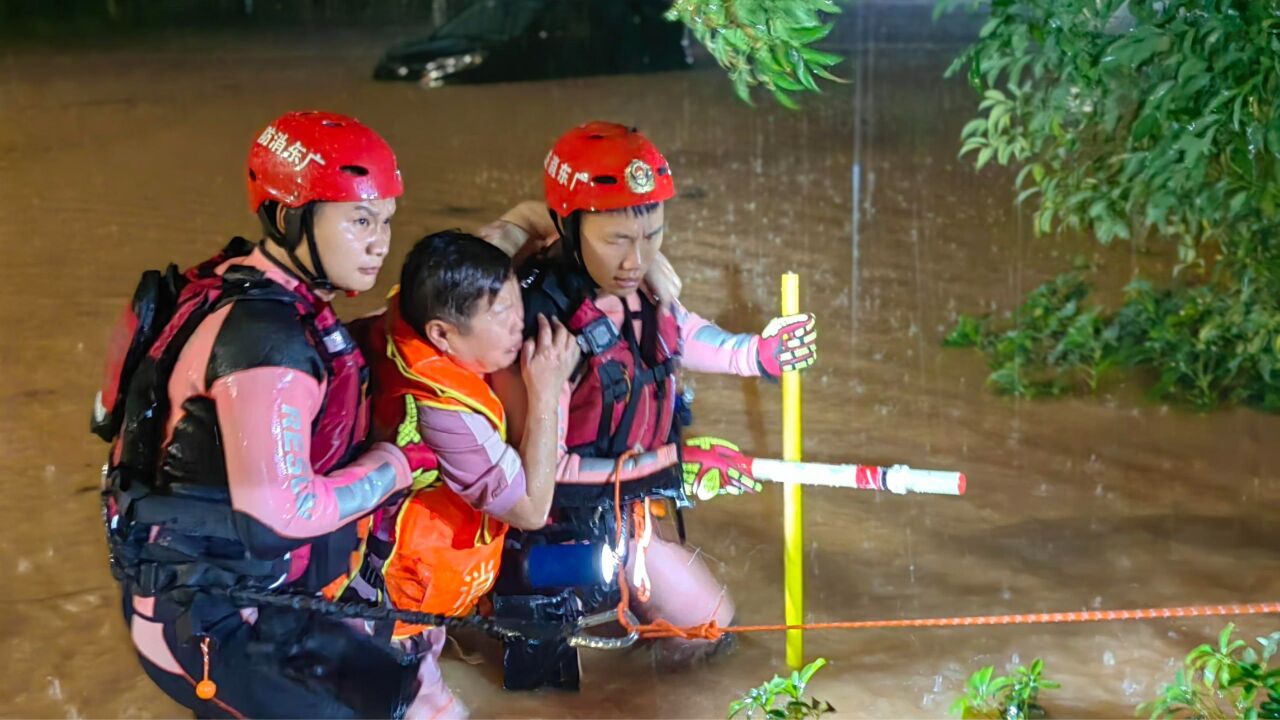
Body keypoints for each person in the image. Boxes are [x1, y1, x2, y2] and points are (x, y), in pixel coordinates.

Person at [94, 110, 444, 718]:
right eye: (359, 219)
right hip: (207, 620)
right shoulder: (266, 342)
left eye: (385, 220)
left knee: (415, 698)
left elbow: (104, 410)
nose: (380, 241)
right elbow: (280, 516)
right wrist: (393, 466)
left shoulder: (243, 283)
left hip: (260, 600)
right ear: (291, 217)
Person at [489, 121, 819, 690]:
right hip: (544, 532)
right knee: (545, 694)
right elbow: (528, 477)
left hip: (627, 517)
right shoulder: (532, 319)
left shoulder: (644, 289)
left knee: (713, 641)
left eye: (652, 236)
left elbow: (681, 335)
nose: (636, 259)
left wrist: (759, 354)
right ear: (568, 225)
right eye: (617, 239)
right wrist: (676, 464)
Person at [332, 231, 579, 718]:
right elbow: (531, 510)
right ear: (443, 334)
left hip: (391, 591)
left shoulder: (413, 310)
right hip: (386, 610)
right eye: (500, 313)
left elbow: (517, 226)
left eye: (515, 302)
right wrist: (547, 389)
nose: (519, 323)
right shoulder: (443, 412)